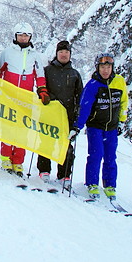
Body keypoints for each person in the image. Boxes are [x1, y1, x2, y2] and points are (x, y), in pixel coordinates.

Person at [72, 52, 130, 200]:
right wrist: (77, 126)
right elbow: (84, 107)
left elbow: (124, 102)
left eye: (108, 67)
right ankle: (92, 183)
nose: (105, 70)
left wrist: (122, 121)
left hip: (111, 128)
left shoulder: (119, 82)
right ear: (97, 68)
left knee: (111, 157)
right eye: (102, 67)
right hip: (95, 127)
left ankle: (110, 185)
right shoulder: (92, 85)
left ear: (112, 68)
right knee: (96, 155)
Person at [0, 22, 48, 177]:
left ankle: (18, 161)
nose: (23, 38)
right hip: (9, 96)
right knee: (7, 127)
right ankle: (6, 158)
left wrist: (42, 90)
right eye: (20, 35)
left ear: (30, 37)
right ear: (15, 36)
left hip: (26, 98)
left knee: (22, 129)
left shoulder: (35, 55)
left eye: (26, 35)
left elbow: (39, 76)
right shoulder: (6, 53)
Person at [39, 40, 83, 185]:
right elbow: (40, 88)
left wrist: (77, 115)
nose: (64, 55)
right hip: (49, 113)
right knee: (46, 140)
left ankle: (64, 174)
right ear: (56, 54)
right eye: (61, 52)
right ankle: (44, 170)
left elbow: (80, 96)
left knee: (66, 145)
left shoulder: (75, 74)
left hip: (68, 116)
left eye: (66, 52)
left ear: (70, 55)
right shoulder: (47, 70)